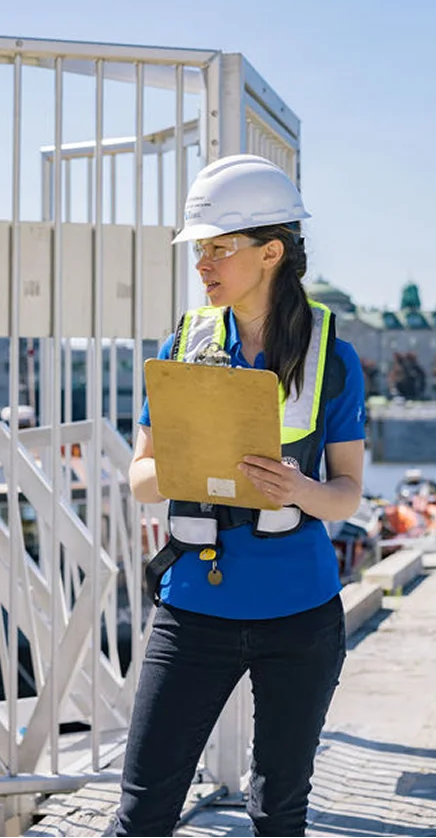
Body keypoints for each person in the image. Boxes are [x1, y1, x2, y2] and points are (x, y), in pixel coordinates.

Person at [105, 154, 366, 838]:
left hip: (302, 617)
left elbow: (347, 497)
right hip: (191, 611)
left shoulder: (333, 356)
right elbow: (139, 478)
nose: (204, 265)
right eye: (201, 250)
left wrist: (301, 489)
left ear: (271, 252)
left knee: (279, 814)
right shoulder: (183, 345)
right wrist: (185, 464)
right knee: (141, 814)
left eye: (220, 248)